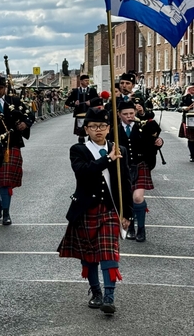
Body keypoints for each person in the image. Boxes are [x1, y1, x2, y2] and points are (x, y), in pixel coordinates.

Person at [57, 107, 132, 315]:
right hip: (86, 209)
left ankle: (109, 297)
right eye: (93, 126)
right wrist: (107, 159)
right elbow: (83, 172)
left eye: (102, 126)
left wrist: (127, 213)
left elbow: (125, 183)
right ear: (86, 129)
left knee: (109, 253)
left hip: (110, 209)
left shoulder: (120, 150)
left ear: (109, 128)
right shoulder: (78, 150)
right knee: (89, 256)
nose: (98, 130)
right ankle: (96, 292)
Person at [0, 76, 34, 225]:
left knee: (6, 181)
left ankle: (6, 212)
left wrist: (25, 124)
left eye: (1, 88)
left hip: (11, 145)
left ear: (5, 88)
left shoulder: (14, 101)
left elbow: (30, 114)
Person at [112, 101, 162, 242]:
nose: (129, 116)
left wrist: (159, 142)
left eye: (131, 113)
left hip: (141, 164)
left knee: (138, 197)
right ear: (119, 114)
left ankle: (141, 228)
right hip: (122, 167)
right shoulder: (113, 131)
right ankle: (131, 227)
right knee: (127, 198)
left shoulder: (143, 126)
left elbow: (153, 142)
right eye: (125, 114)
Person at [65, 75, 98, 140]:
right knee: (81, 133)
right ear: (81, 81)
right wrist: (74, 104)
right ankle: (81, 144)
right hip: (79, 114)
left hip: (90, 114)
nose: (87, 82)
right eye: (86, 80)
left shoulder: (92, 91)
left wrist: (91, 102)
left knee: (91, 131)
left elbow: (97, 101)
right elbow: (67, 102)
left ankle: (90, 144)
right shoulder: (76, 91)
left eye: (88, 80)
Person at [179, 84, 194, 161]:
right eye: (192, 89)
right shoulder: (185, 97)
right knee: (191, 139)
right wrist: (186, 108)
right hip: (189, 119)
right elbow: (179, 107)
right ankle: (192, 155)